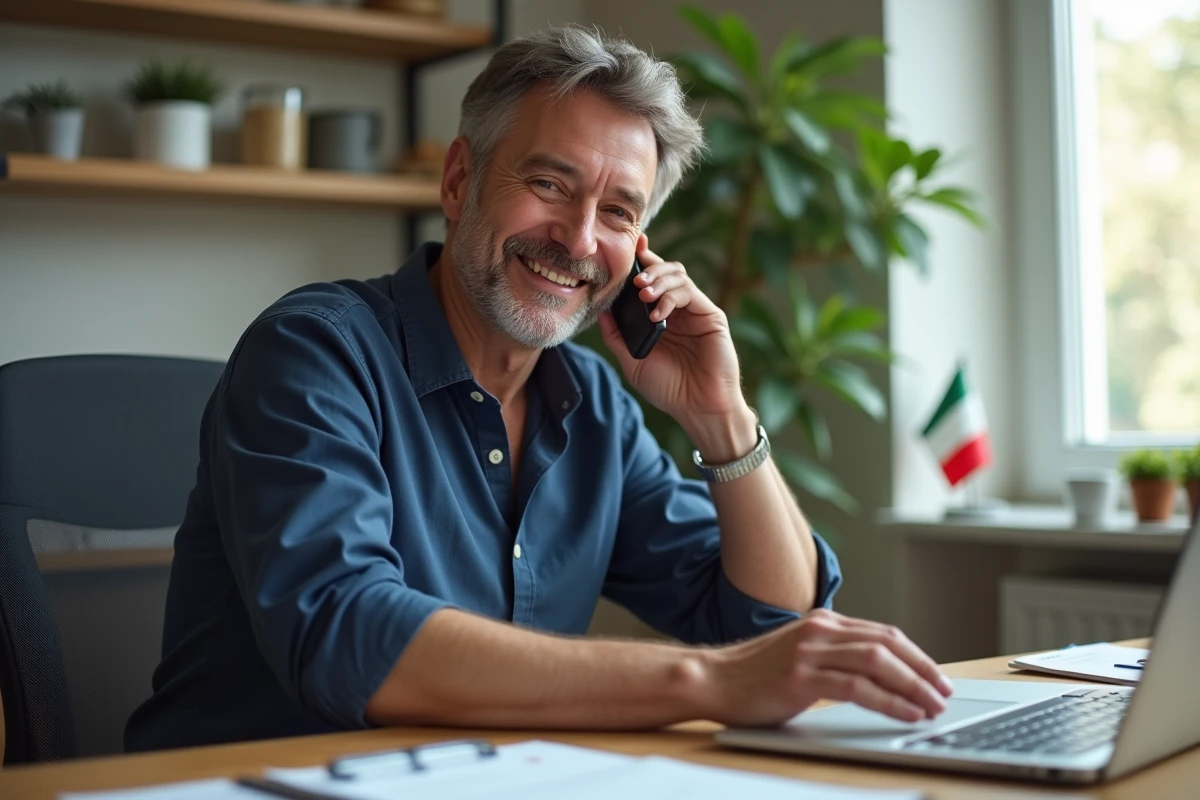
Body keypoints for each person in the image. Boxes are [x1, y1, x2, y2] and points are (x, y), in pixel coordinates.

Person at [124, 25, 952, 753]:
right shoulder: (314, 350)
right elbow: (346, 633)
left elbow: (770, 626)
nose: (579, 239)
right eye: (550, 185)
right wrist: (707, 682)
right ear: (459, 182)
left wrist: (721, 417)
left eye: (619, 212)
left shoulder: (590, 402)